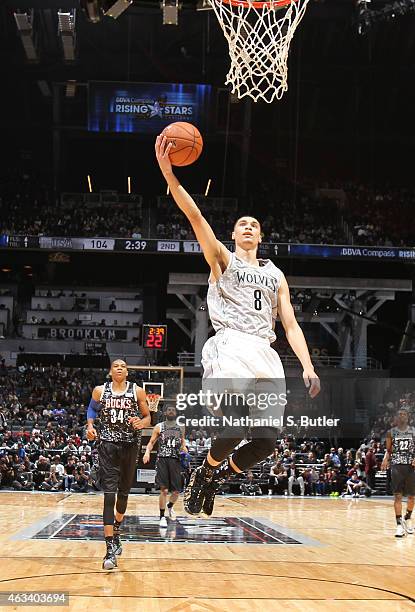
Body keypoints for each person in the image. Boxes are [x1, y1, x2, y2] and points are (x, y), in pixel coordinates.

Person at [155, 135, 320, 518]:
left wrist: (308, 365)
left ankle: (209, 475)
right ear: (232, 234)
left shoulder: (276, 275)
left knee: (265, 442)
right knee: (236, 425)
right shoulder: (223, 260)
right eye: (242, 224)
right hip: (231, 347)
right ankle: (205, 474)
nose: (248, 227)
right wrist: (169, 174)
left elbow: (291, 325)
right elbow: (195, 216)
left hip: (265, 352)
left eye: (254, 225)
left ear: (261, 236)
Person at [86, 359, 150, 570]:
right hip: (108, 446)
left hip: (130, 446)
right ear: (110, 371)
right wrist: (90, 426)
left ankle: (117, 529)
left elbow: (148, 416)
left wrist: (142, 422)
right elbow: (91, 410)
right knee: (109, 494)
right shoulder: (99, 390)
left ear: (127, 371)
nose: (119, 368)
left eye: (123, 366)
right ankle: (109, 548)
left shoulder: (137, 391)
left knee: (123, 494)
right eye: (116, 366)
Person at [143, 405, 187, 527]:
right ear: (165, 413)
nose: (171, 411)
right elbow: (151, 442)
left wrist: (185, 449)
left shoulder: (181, 427)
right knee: (164, 490)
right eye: (169, 410)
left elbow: (182, 442)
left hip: (176, 460)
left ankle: (170, 506)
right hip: (162, 459)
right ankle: (162, 517)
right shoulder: (159, 427)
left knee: (176, 492)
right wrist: (147, 452)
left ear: (176, 412)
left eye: (173, 410)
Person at [381, 406, 415, 538]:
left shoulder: (413, 431)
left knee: (412, 497)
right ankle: (399, 525)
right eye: (399, 414)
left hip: (411, 467)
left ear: (408, 417)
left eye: (404, 414)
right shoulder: (391, 432)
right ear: (396, 417)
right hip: (396, 466)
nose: (402, 416)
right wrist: (385, 458)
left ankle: (408, 518)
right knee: (398, 496)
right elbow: (389, 450)